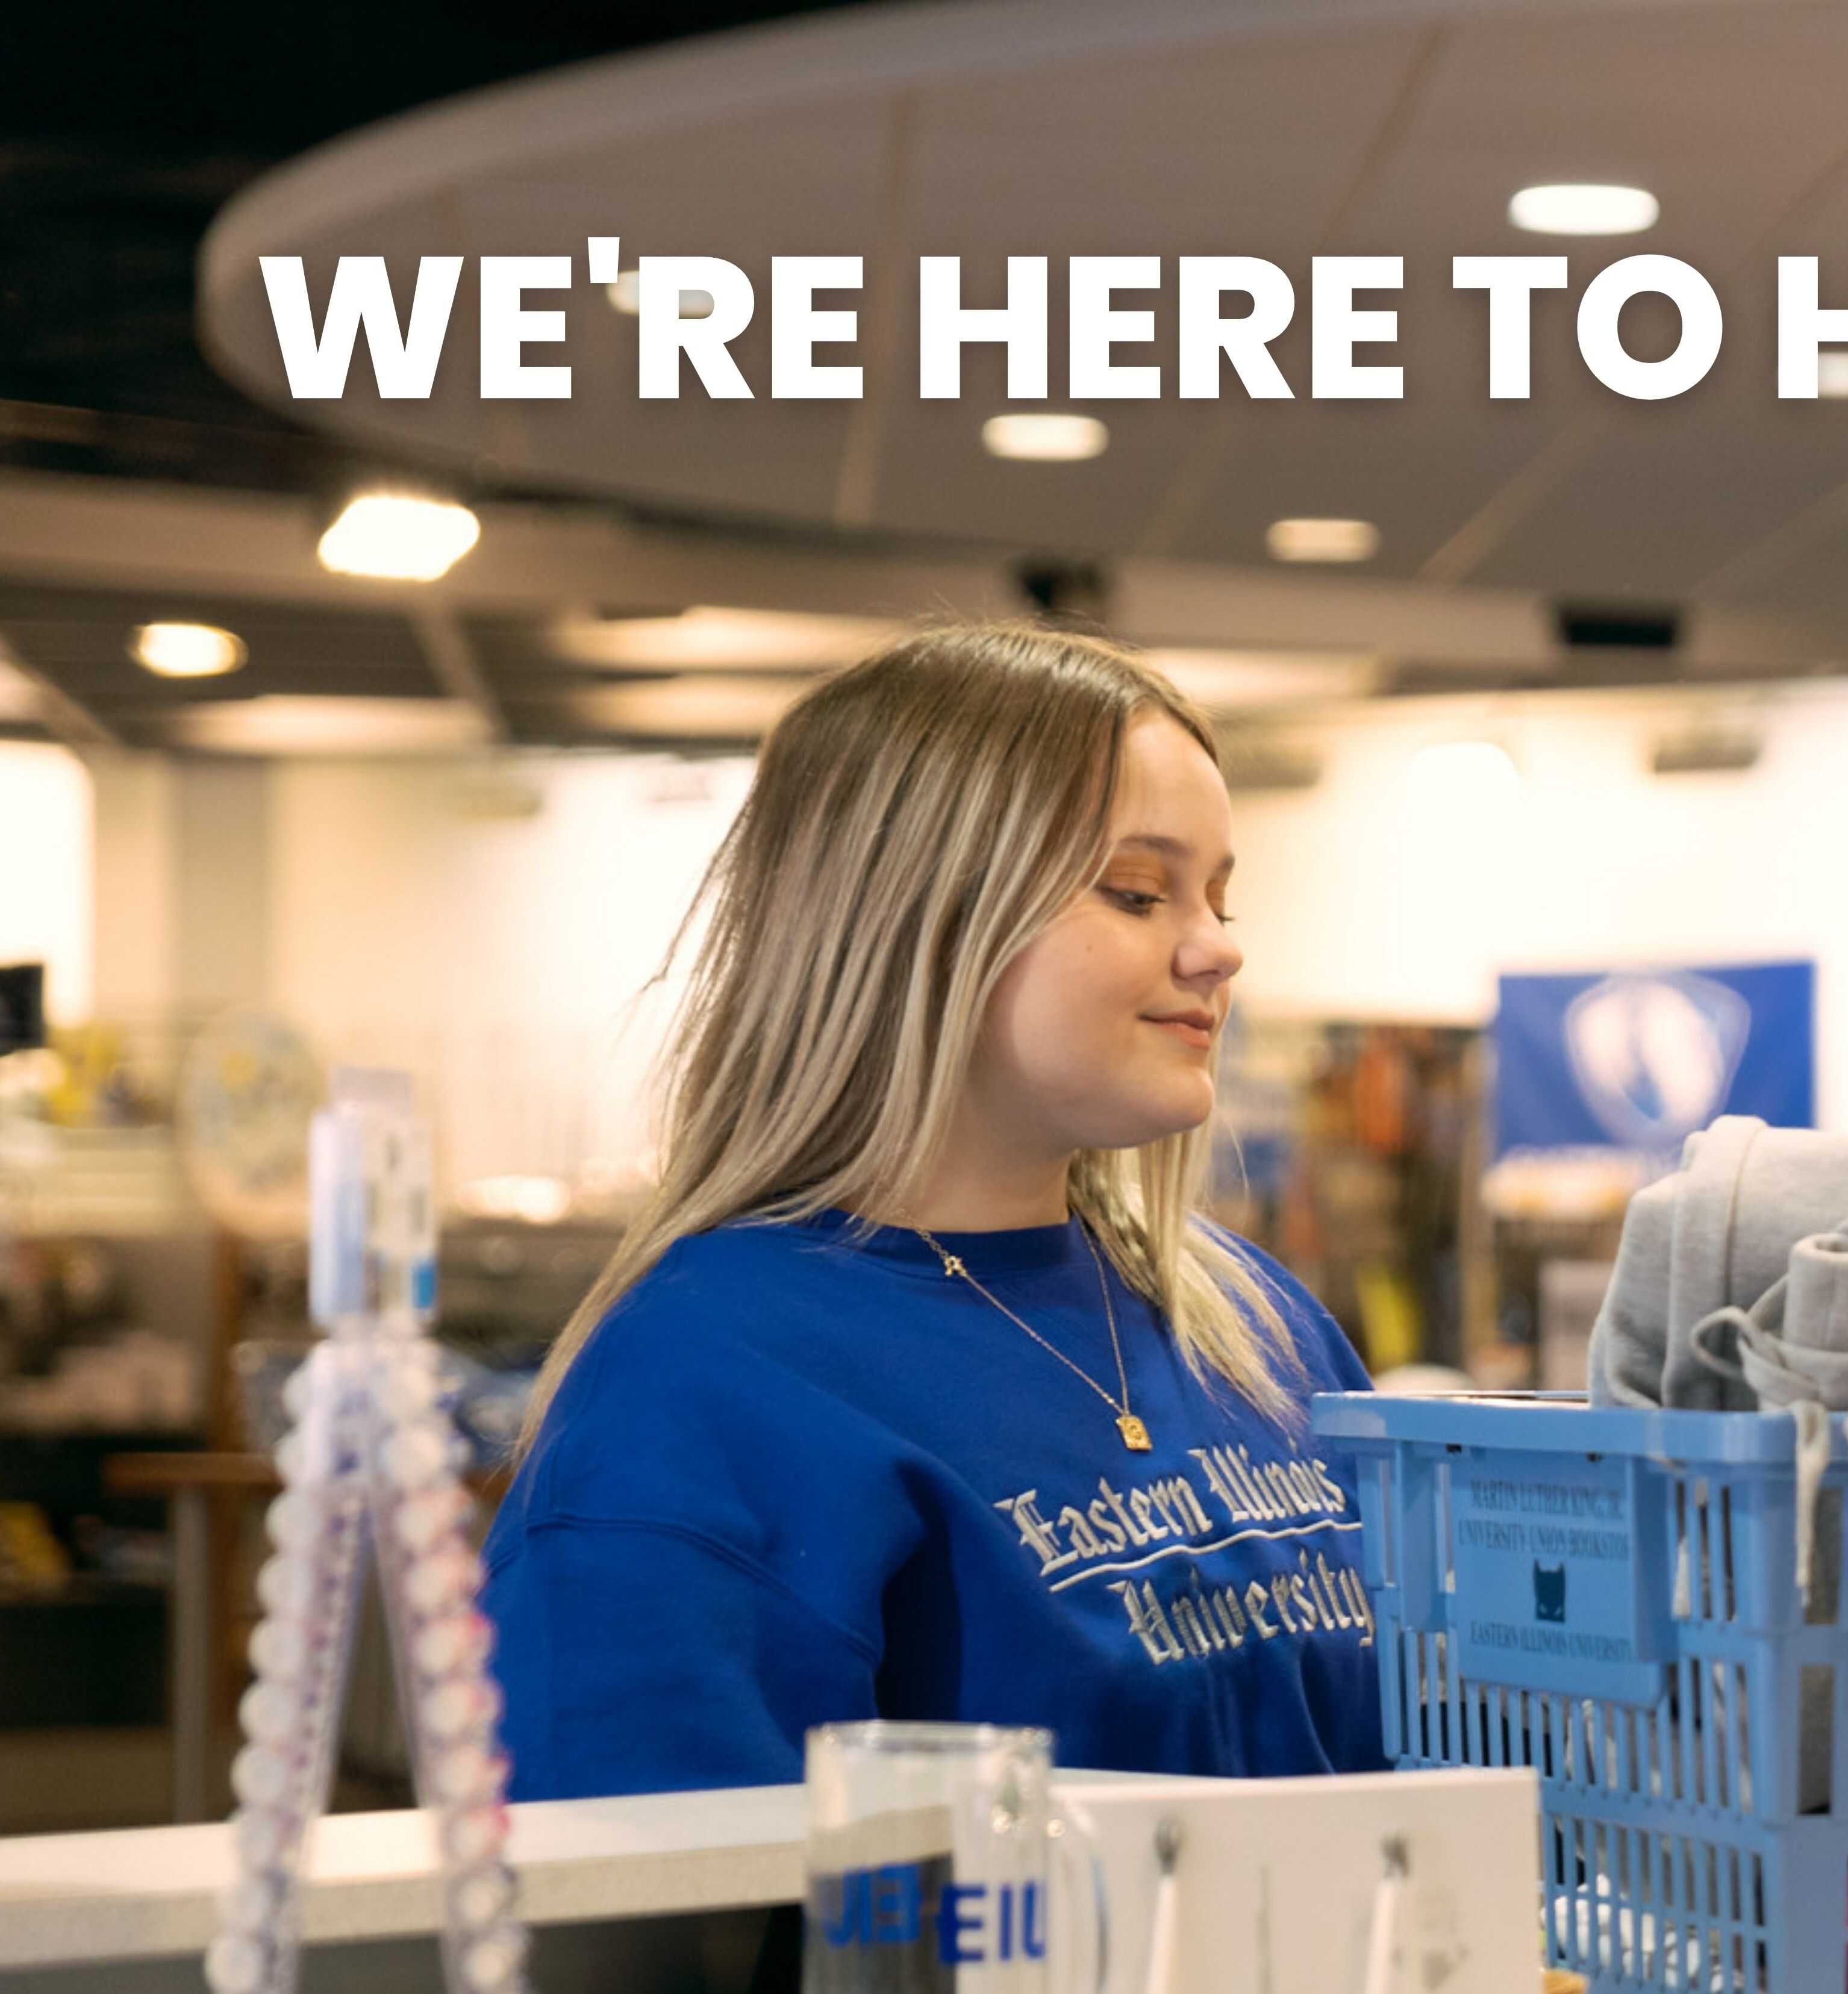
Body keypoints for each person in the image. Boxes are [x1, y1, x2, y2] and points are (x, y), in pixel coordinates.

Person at [482, 623, 1385, 1799]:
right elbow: (651, 1942)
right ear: (914, 919)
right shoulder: (700, 1393)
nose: (1218, 949)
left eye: (1218, 895)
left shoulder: (1254, 1324)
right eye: (1138, 891)